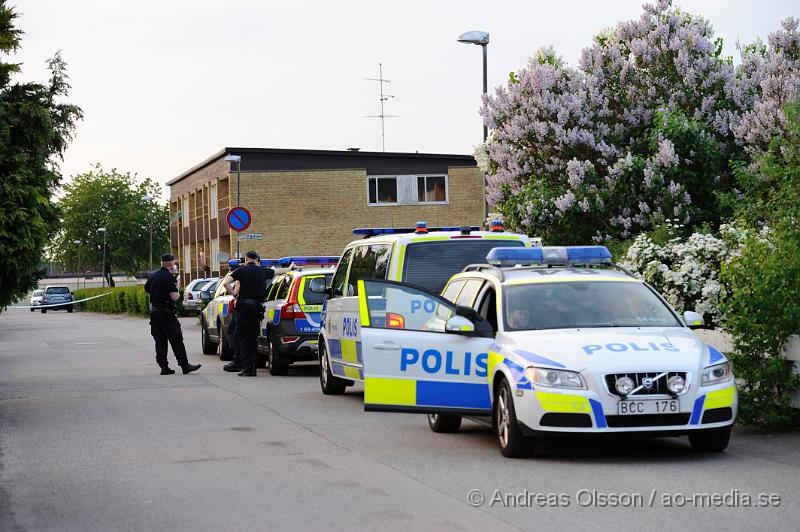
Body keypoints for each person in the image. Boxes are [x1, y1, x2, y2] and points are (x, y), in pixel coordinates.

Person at [144, 254, 202, 375]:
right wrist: (179, 294)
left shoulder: (153, 276)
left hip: (154, 313)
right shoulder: (169, 277)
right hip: (167, 313)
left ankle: (164, 367)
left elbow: (146, 289)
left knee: (160, 341)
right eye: (173, 263)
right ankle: (185, 366)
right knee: (176, 339)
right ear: (170, 264)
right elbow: (174, 297)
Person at [224, 251, 272, 376]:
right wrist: (290, 268)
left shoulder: (241, 271)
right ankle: (254, 368)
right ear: (257, 259)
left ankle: (246, 369)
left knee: (243, 338)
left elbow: (226, 283)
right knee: (253, 338)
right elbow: (279, 272)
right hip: (257, 308)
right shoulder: (262, 271)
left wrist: (234, 294)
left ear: (246, 259)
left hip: (244, 308)